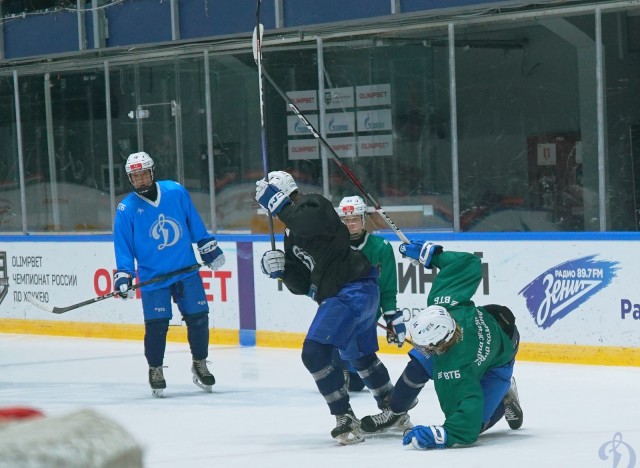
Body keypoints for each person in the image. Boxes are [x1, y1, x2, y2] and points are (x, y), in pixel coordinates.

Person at [254, 171, 405, 445]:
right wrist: (282, 270)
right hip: (355, 291)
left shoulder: (313, 204)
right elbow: (302, 283)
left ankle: (344, 416)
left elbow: (307, 223)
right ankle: (394, 408)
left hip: (351, 290)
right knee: (360, 355)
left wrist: (281, 205)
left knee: (314, 352)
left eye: (272, 202)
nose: (270, 209)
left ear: (283, 194)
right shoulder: (290, 232)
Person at [359, 241, 523, 449]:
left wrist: (441, 435)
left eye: (429, 347)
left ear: (442, 344)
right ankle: (395, 412)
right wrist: (431, 256)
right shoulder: (445, 301)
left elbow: (467, 426)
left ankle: (504, 396)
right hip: (484, 325)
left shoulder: (456, 367)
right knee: (419, 362)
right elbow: (469, 263)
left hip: (500, 357)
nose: (425, 349)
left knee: (478, 421)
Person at [113, 151, 225, 398]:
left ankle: (200, 363)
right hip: (154, 278)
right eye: (135, 176)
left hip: (185, 270)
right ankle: (155, 369)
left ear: (152, 172)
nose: (140, 180)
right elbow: (123, 246)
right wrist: (124, 274)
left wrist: (206, 246)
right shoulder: (126, 209)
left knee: (198, 317)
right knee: (157, 326)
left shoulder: (175, 191)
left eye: (143, 174)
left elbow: (193, 221)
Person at [333, 195, 405, 393]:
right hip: (340, 314)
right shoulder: (333, 248)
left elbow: (388, 287)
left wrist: (391, 316)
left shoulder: (381, 247)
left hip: (368, 315)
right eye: (346, 220)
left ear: (364, 219)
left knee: (357, 382)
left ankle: (386, 396)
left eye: (355, 219)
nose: (350, 224)